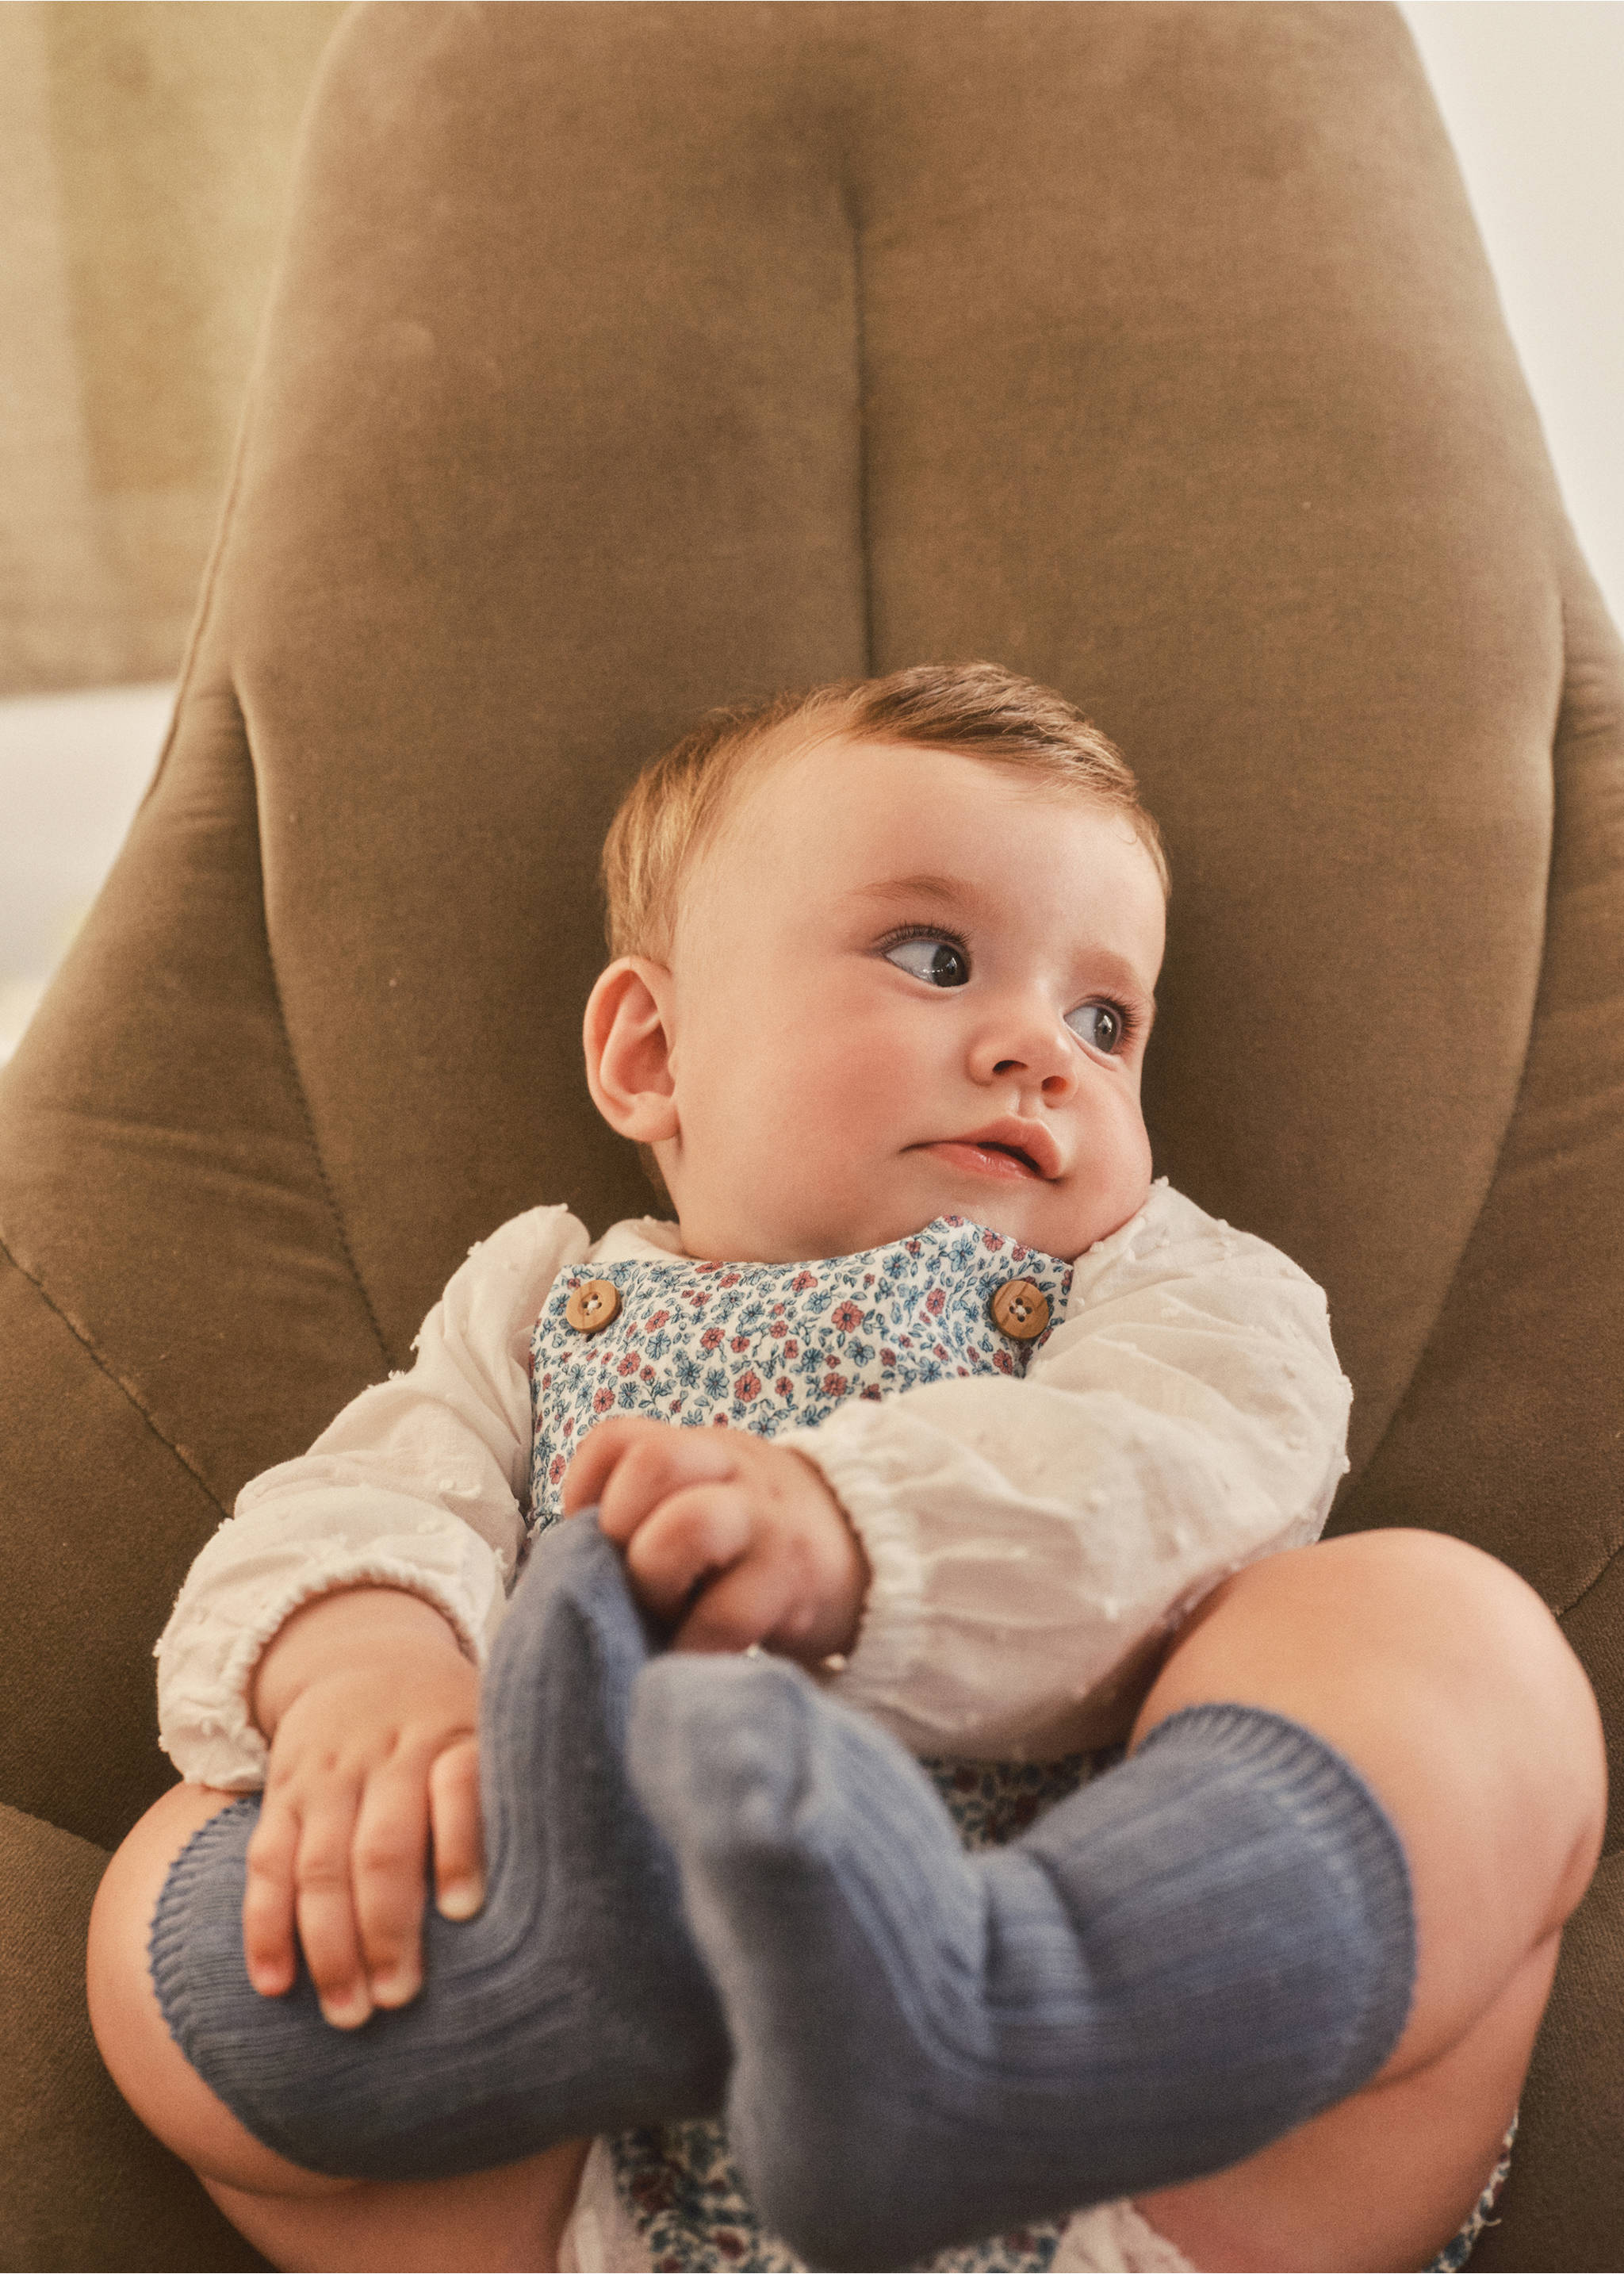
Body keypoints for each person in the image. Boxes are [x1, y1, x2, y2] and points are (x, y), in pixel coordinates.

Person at [87, 665, 1603, 2274]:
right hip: (585, 2177)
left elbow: (1188, 1469)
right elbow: (357, 1499)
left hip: (1152, 2149)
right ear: (653, 1052)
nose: (1042, 1051)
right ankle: (551, 1980)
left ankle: (1013, 2016)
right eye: (935, 959)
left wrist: (852, 1536)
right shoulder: (530, 1308)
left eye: (1106, 1022)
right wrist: (365, 1668)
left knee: (1447, 1636)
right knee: (178, 1876)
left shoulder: (1163, 1282)